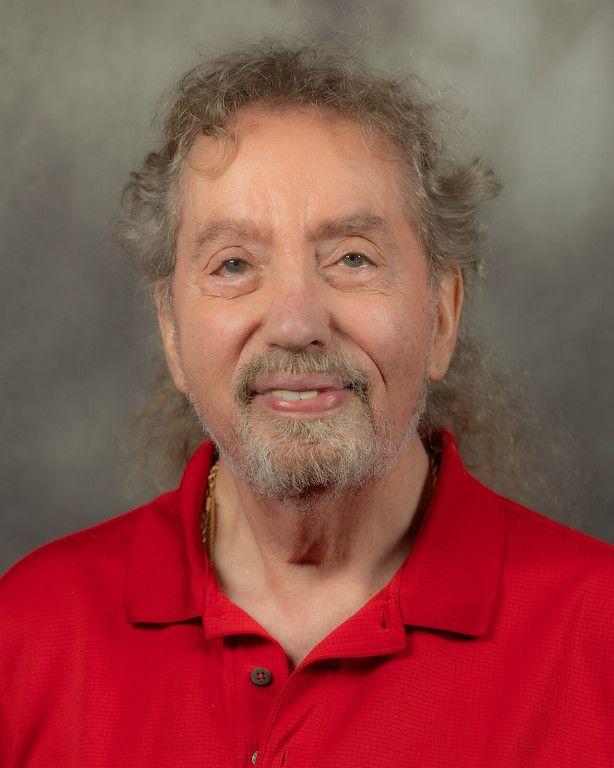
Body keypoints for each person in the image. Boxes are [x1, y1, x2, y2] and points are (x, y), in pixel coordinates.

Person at [1, 37, 613, 768]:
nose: (295, 323)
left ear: (442, 316)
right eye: (234, 264)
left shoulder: (598, 635)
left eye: (352, 257)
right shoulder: (29, 631)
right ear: (171, 332)